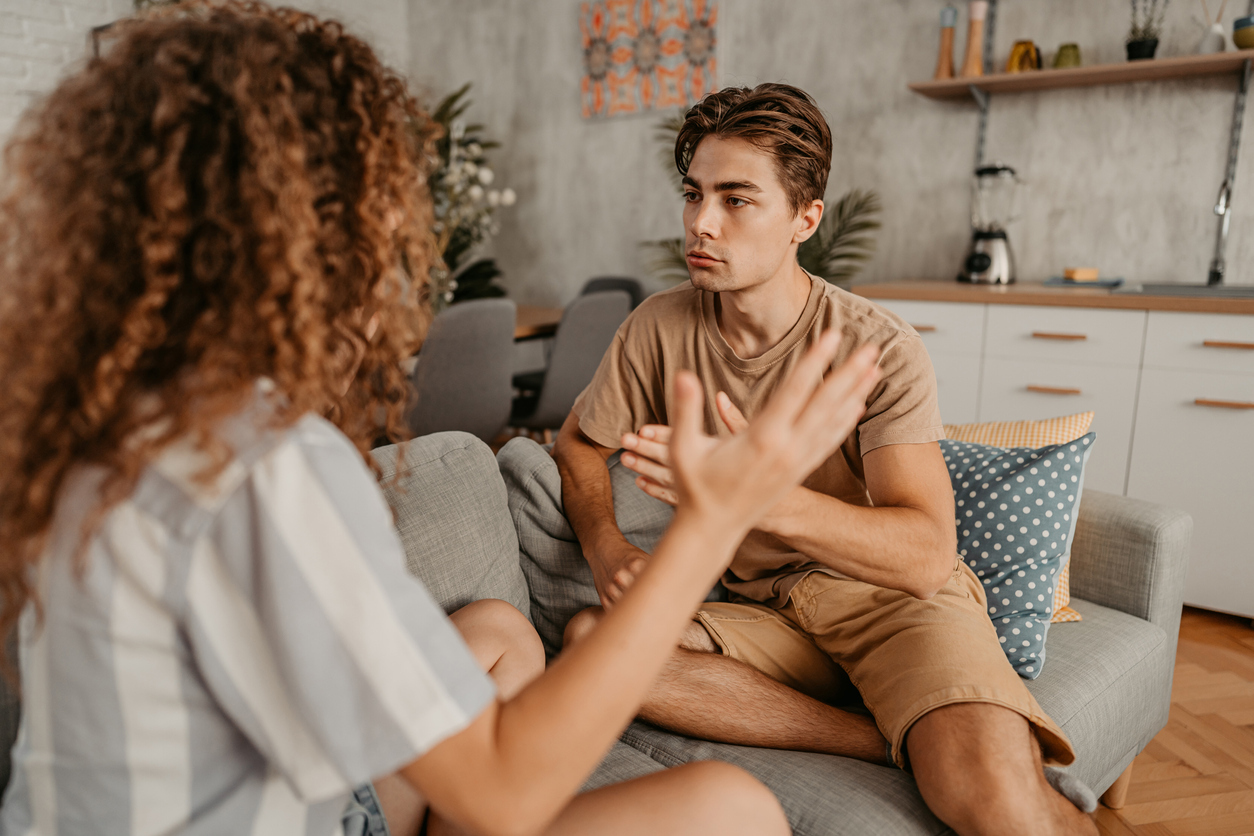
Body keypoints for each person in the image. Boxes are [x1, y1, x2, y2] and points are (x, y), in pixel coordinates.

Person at [0, 5, 887, 835]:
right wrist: (715, 520)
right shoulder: (266, 464)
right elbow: (504, 794)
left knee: (499, 629)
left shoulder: (96, 417)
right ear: (310, 227)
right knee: (732, 807)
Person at [555, 83, 1099, 836]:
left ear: (804, 219)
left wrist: (753, 495)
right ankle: (883, 739)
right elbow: (578, 442)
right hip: (767, 611)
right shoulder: (658, 327)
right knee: (593, 646)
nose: (700, 223)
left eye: (736, 199)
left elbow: (922, 556)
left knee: (999, 807)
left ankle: (977, 758)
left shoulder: (878, 347)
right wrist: (605, 543)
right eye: (694, 194)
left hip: (894, 604)